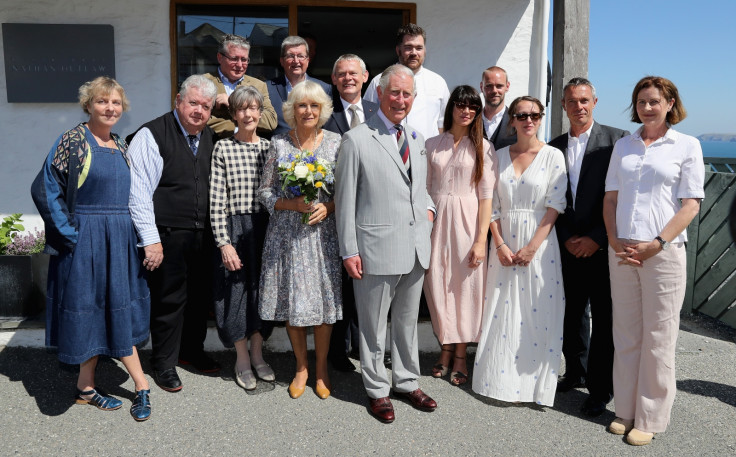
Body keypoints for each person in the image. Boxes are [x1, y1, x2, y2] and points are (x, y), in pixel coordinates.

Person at [31, 77, 152, 421]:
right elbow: (45, 188)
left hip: (120, 239)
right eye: (102, 102)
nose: (110, 108)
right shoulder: (72, 141)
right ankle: (137, 385)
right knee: (88, 309)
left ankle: (92, 387)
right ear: (88, 105)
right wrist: (69, 235)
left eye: (115, 102)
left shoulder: (121, 144)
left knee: (115, 310)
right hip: (84, 239)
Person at [603, 76, 703, 446]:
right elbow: (610, 199)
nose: (647, 107)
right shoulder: (623, 146)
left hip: (663, 253)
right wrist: (614, 240)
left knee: (659, 338)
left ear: (670, 103)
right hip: (624, 251)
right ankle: (625, 410)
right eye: (641, 101)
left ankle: (651, 416)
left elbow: (690, 204)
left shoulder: (686, 145)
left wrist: (657, 243)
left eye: (654, 101)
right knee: (626, 334)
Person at [336, 64, 437, 423]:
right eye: (395, 92)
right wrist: (349, 250)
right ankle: (377, 389)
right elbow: (345, 201)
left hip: (415, 248)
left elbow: (422, 191)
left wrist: (428, 213)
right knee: (374, 325)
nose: (401, 99)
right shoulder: (357, 139)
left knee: (407, 323)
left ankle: (407, 382)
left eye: (407, 93)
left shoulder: (417, 139)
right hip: (374, 250)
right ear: (379, 93)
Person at [472, 96, 567, 407]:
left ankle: (533, 386)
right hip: (503, 242)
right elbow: (491, 206)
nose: (529, 120)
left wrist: (531, 248)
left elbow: (555, 206)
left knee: (538, 313)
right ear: (511, 120)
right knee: (502, 309)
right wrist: (498, 243)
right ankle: (497, 380)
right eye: (522, 115)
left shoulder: (554, 156)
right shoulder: (496, 156)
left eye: (535, 115)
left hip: (540, 243)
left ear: (541, 118)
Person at [128, 74, 220, 393]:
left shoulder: (209, 138)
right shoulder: (152, 134)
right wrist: (150, 239)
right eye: (192, 103)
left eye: (205, 106)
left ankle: (191, 352)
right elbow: (138, 192)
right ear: (178, 101)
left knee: (198, 297)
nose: (198, 110)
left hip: (202, 233)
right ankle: (163, 363)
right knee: (170, 300)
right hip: (167, 233)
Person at [257, 80, 342, 400]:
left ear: (323, 111)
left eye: (315, 106)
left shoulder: (336, 143)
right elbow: (264, 191)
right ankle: (301, 368)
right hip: (287, 236)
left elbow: (347, 191)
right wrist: (288, 203)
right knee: (294, 304)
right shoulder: (278, 144)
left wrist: (329, 206)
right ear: (292, 110)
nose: (308, 111)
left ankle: (321, 370)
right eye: (302, 105)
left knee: (322, 305)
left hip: (323, 238)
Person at [549, 77, 628, 417]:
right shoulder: (552, 146)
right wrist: (566, 235)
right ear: (563, 106)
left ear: (595, 101)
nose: (578, 106)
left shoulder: (617, 141)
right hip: (567, 245)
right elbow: (552, 197)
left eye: (584, 100)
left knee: (605, 319)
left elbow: (622, 196)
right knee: (572, 313)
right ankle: (575, 371)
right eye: (571, 101)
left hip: (603, 244)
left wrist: (597, 236)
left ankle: (600, 388)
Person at [424, 85, 495, 386]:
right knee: (438, 285)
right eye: (461, 105)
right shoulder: (431, 144)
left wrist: (481, 240)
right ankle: (445, 349)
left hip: (468, 221)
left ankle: (461, 354)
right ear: (451, 106)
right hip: (436, 220)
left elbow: (486, 197)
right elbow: (424, 188)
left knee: (465, 287)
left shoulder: (483, 147)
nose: (466, 111)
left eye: (473, 107)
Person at [209, 86, 275, 391]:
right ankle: (241, 358)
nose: (248, 114)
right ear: (233, 114)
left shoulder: (271, 147)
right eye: (241, 109)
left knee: (262, 292)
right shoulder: (223, 148)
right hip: (235, 227)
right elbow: (216, 202)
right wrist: (224, 243)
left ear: (260, 112)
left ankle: (258, 353)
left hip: (266, 228)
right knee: (235, 293)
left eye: (253, 108)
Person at [322, 54, 378, 372]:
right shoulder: (324, 114)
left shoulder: (377, 114)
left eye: (353, 73)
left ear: (365, 75)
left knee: (369, 277)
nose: (348, 78)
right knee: (340, 281)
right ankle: (337, 351)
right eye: (341, 74)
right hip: (336, 210)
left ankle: (364, 345)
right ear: (333, 79)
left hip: (372, 209)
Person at [364, 24, 450, 141]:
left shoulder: (438, 82)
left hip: (426, 154)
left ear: (425, 51)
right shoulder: (379, 81)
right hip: (388, 152)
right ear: (398, 50)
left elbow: (443, 124)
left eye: (419, 48)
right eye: (408, 47)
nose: (414, 52)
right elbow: (367, 118)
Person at [205, 34, 277, 140]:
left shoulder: (258, 85)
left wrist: (231, 103)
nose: (239, 65)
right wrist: (245, 125)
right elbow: (199, 120)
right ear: (220, 58)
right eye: (234, 59)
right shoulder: (204, 83)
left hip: (248, 151)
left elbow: (270, 121)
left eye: (244, 60)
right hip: (212, 148)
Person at [267, 36, 332, 136]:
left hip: (312, 148)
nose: (296, 61)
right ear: (282, 61)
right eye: (290, 56)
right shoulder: (267, 88)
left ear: (308, 60)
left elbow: (326, 124)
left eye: (301, 56)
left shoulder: (324, 88)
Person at [480, 66, 516, 150]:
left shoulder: (518, 122)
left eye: (499, 86)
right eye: (489, 86)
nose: (494, 91)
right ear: (481, 87)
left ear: (507, 86)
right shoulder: (471, 122)